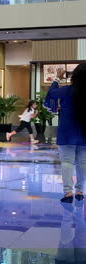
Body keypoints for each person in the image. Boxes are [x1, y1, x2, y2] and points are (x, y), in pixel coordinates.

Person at [44, 65, 86, 203]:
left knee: (67, 163)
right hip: (84, 133)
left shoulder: (67, 90)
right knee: (82, 163)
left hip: (67, 132)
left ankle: (68, 193)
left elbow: (51, 93)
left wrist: (57, 78)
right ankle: (80, 191)